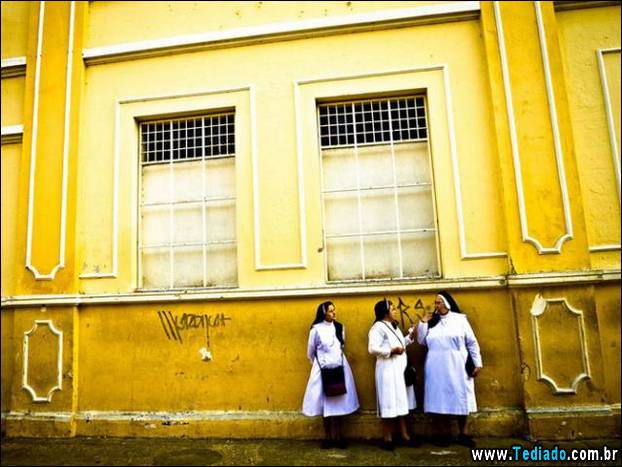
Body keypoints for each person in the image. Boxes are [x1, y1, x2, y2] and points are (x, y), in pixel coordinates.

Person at [417, 290, 482, 448]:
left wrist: (477, 362)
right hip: (436, 365)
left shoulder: (460, 320)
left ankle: (464, 433)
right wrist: (423, 323)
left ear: (446, 303)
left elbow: (471, 342)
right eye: (435, 303)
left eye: (438, 302)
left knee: (461, 397)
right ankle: (443, 434)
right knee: (439, 399)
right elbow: (421, 341)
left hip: (457, 364)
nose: (436, 305)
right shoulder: (431, 322)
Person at [302, 301, 359, 449]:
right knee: (326, 404)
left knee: (339, 402)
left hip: (340, 367)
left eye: (334, 310)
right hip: (322, 370)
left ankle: (339, 436)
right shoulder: (316, 329)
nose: (334, 313)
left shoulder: (340, 327)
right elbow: (310, 351)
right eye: (331, 311)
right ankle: (328, 437)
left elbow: (342, 346)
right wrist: (320, 365)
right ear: (324, 313)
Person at [368, 299, 417, 450]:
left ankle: (404, 435)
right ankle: (387, 438)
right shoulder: (377, 328)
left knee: (401, 402)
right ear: (385, 312)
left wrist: (410, 337)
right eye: (393, 308)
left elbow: (400, 344)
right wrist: (391, 351)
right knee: (388, 402)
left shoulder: (393, 326)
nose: (395, 311)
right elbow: (372, 349)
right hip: (387, 371)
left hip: (398, 370)